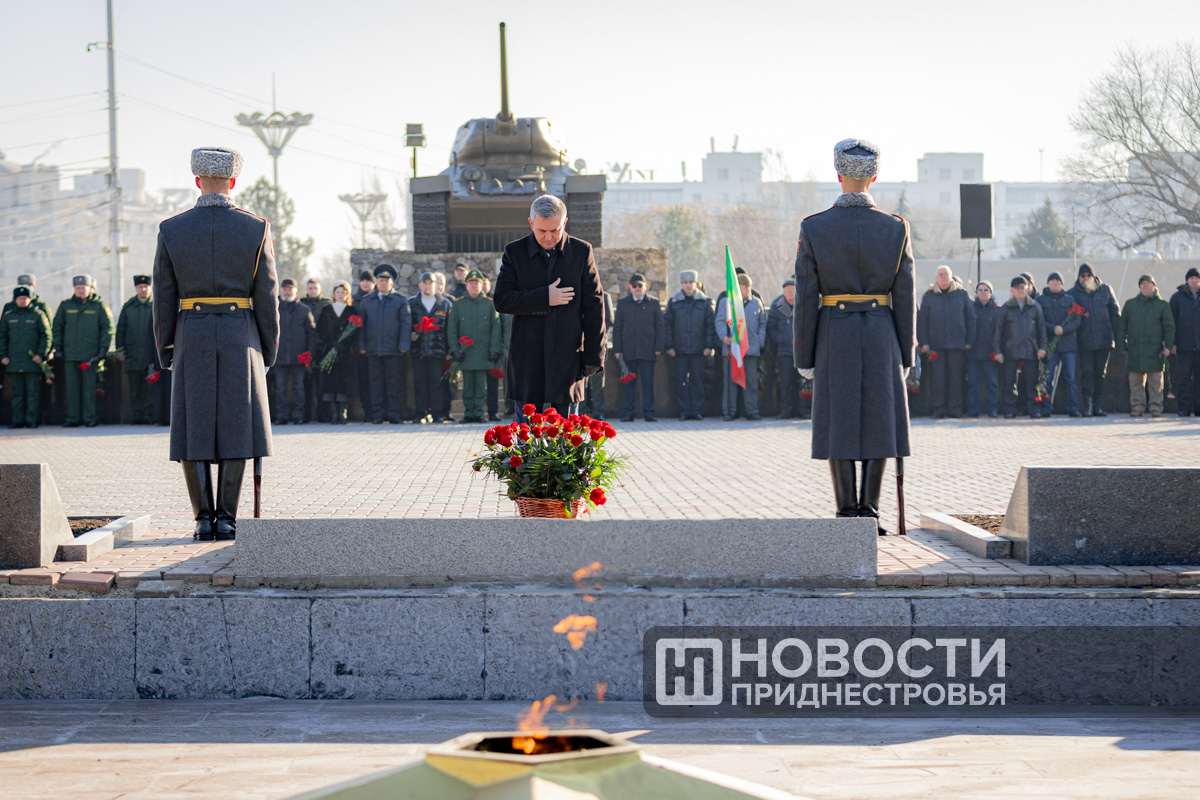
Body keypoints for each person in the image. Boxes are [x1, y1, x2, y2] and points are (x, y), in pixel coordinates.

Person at [152, 146, 279, 541]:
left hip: (191, 332)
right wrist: (268, 349)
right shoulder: (255, 227)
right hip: (241, 333)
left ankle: (202, 519)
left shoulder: (171, 229)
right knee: (238, 423)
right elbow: (267, 296)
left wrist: (166, 347)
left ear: (197, 181)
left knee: (194, 424)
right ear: (233, 182)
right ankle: (227, 519)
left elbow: (163, 297)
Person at [793, 138, 915, 534]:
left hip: (835, 331)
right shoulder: (896, 227)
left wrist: (804, 356)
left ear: (838, 174)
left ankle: (847, 513)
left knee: (839, 419)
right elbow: (905, 295)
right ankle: (871, 511)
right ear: (874, 177)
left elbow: (806, 297)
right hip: (882, 332)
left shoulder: (814, 227)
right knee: (881, 419)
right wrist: (906, 352)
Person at [493, 194, 605, 419]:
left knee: (566, 433)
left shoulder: (581, 252)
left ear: (565, 222)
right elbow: (502, 300)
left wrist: (594, 357)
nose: (548, 237)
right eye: (542, 230)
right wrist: (544, 297)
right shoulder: (515, 252)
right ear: (531, 223)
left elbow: (595, 306)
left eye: (554, 230)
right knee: (527, 433)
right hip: (527, 356)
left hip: (568, 356)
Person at [52, 274, 113, 428]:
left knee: (89, 389)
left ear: (90, 288)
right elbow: (57, 327)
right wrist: (57, 348)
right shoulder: (66, 306)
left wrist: (103, 348)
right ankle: (73, 418)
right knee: (72, 389)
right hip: (70, 354)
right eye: (77, 288)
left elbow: (107, 328)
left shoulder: (99, 306)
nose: (80, 291)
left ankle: (90, 418)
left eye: (83, 288)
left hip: (90, 355)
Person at [916, 265, 974, 418]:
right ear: (936, 278)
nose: (943, 277)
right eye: (940, 274)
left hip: (957, 344)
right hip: (936, 345)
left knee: (956, 379)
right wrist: (924, 342)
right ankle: (939, 409)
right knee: (938, 379)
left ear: (951, 276)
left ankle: (955, 410)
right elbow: (922, 321)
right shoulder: (928, 296)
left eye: (946, 274)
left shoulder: (962, 294)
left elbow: (970, 318)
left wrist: (969, 340)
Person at [357, 264, 411, 424]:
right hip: (373, 350)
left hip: (393, 350)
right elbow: (361, 325)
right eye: (380, 280)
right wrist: (362, 345)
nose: (383, 283)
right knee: (375, 384)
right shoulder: (367, 301)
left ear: (392, 283)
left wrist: (404, 345)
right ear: (376, 283)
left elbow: (406, 324)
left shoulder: (400, 301)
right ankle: (377, 414)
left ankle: (394, 413)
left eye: (386, 281)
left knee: (394, 384)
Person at [447, 269, 502, 423]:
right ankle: (468, 413)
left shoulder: (489, 304)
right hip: (466, 353)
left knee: (480, 385)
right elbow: (452, 329)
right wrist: (455, 349)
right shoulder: (458, 305)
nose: (473, 286)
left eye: (476, 284)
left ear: (482, 286)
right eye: (471, 283)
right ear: (466, 286)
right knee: (467, 385)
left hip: (483, 352)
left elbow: (496, 329)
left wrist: (494, 349)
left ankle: (478, 413)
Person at [1117, 274, 1175, 418]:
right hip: (1135, 350)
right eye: (1142, 283)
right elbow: (1121, 327)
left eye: (1148, 283)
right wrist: (1121, 346)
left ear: (1154, 286)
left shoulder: (1163, 305)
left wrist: (1168, 346)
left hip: (1155, 350)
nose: (1145, 286)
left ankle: (1156, 408)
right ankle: (1137, 408)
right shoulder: (1130, 304)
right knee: (1135, 383)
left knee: (1155, 383)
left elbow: (1169, 328)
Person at [1068, 263, 1120, 417]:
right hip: (1084, 342)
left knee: (1100, 374)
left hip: (1104, 340)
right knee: (1087, 374)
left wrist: (1117, 338)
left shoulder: (1106, 290)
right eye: (1082, 276)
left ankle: (1097, 405)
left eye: (1088, 275)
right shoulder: (1072, 294)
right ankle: (1088, 406)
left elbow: (1115, 314)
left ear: (1094, 276)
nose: (1086, 278)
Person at [664, 269, 716, 421]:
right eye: (685, 283)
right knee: (681, 381)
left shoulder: (705, 302)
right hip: (679, 349)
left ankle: (696, 410)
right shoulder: (674, 302)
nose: (688, 285)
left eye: (691, 282)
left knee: (697, 381)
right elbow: (667, 326)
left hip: (699, 349)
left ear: (696, 283)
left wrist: (708, 346)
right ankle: (685, 410)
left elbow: (710, 326)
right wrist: (669, 346)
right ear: (681, 284)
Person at [613, 272, 664, 422]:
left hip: (648, 350)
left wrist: (659, 347)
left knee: (648, 383)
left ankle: (649, 413)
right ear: (630, 287)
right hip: (628, 350)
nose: (637, 288)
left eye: (640, 286)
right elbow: (617, 328)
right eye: (634, 286)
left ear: (645, 287)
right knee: (628, 383)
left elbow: (660, 327)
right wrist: (617, 349)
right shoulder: (623, 304)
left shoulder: (653, 303)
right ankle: (628, 413)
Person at [994, 277, 1047, 419]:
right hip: (1010, 350)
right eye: (1017, 288)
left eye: (1023, 288)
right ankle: (1010, 409)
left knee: (1033, 382)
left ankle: (1034, 409)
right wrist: (998, 351)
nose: (1020, 291)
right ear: (1012, 291)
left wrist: (1042, 347)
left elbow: (1042, 329)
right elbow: (999, 332)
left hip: (1031, 350)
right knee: (1010, 382)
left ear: (1028, 288)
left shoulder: (1035, 307)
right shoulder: (1005, 308)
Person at [716, 272, 767, 421]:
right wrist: (723, 336)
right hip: (732, 350)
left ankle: (752, 411)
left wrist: (759, 341)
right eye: (745, 287)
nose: (748, 290)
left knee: (751, 383)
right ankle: (729, 411)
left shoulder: (756, 303)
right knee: (730, 382)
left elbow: (762, 324)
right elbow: (720, 321)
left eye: (749, 287)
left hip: (751, 349)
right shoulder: (726, 302)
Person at [0, 285, 52, 428]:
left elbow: (46, 336)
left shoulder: (38, 315)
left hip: (32, 361)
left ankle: (31, 419)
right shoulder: (8, 316)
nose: (22, 301)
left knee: (32, 393)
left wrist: (40, 354)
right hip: (14, 360)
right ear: (15, 299)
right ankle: (17, 420)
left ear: (30, 299)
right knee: (17, 394)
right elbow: (2, 337)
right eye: (20, 298)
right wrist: (3, 355)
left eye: (25, 298)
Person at [1035, 272, 1083, 417]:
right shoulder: (1040, 300)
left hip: (1068, 345)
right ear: (1048, 283)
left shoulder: (1070, 299)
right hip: (1050, 345)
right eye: (1052, 281)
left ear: (1062, 284)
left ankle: (1073, 408)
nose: (1055, 283)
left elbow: (1077, 321)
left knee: (1070, 378)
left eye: (1058, 281)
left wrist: (1063, 329)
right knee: (1047, 378)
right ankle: (1046, 408)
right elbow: (1038, 320)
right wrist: (1053, 328)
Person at [407, 271, 453, 423]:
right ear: (420, 285)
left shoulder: (445, 304)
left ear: (435, 285)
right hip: (418, 350)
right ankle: (420, 413)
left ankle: (436, 413)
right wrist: (411, 336)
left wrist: (449, 350)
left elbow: (450, 329)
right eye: (424, 283)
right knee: (419, 383)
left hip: (437, 350)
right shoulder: (411, 303)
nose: (427, 286)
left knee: (436, 383)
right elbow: (406, 325)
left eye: (430, 283)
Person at [273, 279, 316, 425]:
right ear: (280, 291)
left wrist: (309, 354)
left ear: (296, 292)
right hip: (279, 357)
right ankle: (282, 416)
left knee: (298, 387)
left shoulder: (304, 310)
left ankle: (299, 415)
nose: (287, 292)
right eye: (285, 289)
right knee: (280, 388)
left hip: (299, 357)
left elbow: (311, 334)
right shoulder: (274, 308)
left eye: (290, 289)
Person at [316, 281, 360, 424]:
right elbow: (320, 329)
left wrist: (344, 344)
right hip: (329, 350)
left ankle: (342, 412)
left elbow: (355, 331)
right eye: (338, 292)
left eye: (343, 292)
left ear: (347, 294)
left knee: (344, 383)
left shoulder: (352, 310)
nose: (340, 295)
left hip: (345, 353)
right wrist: (332, 343)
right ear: (333, 294)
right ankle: (333, 413)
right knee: (329, 384)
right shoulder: (326, 310)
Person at [115, 274, 156, 424]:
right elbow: (121, 330)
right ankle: (137, 416)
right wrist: (120, 350)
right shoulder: (128, 307)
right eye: (140, 287)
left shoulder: (156, 306)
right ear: (135, 288)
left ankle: (150, 416)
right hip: (133, 354)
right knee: (135, 388)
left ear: (150, 288)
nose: (143, 289)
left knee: (151, 389)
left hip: (152, 355)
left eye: (146, 286)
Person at [966, 281, 1002, 418]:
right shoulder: (970, 308)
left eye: (986, 290)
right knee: (972, 383)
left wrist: (998, 350)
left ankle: (992, 409)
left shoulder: (997, 310)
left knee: (992, 383)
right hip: (973, 353)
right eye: (980, 290)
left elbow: (1000, 332)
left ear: (991, 293)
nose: (983, 292)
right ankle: (973, 409)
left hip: (991, 353)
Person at [300, 278, 332, 422]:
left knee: (322, 384)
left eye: (315, 288)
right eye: (310, 288)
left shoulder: (326, 304)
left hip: (323, 348)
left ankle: (323, 414)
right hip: (306, 349)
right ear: (306, 289)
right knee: (305, 383)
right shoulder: (301, 304)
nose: (312, 291)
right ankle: (306, 414)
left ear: (320, 289)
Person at [1170, 267, 1200, 416]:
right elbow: (1171, 323)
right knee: (1183, 379)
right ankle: (1184, 408)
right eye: (1191, 278)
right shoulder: (1177, 298)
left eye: (1196, 278)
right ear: (1187, 280)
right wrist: (1173, 343)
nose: (1194, 281)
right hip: (1184, 345)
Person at [583, 288, 614, 420]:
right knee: (581, 382)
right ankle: (581, 412)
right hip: (581, 345)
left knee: (598, 382)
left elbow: (610, 321)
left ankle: (598, 412)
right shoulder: (580, 294)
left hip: (598, 345)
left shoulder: (605, 296)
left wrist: (595, 330)